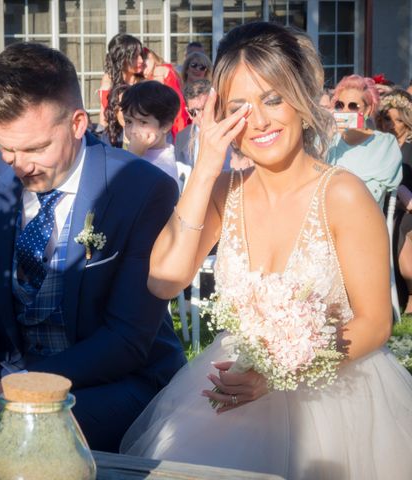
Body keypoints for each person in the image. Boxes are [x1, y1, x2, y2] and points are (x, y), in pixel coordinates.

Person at [121, 22, 412, 479]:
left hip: (335, 401)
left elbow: (374, 323)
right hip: (225, 396)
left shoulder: (344, 195)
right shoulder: (222, 192)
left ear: (300, 97)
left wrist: (276, 373)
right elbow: (163, 280)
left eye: (272, 99)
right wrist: (203, 169)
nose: (257, 121)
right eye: (238, 107)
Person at [0, 42, 186, 453]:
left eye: (35, 148)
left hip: (114, 382)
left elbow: (126, 340)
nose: (19, 165)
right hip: (5, 373)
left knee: (26, 437)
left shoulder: (141, 189)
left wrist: (15, 393)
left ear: (76, 123)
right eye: (6, 148)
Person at [327, 74, 402, 208]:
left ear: (368, 110)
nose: (345, 111)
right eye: (340, 105)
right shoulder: (329, 140)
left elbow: (375, 193)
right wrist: (327, 136)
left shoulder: (385, 144)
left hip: (364, 215)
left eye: (353, 106)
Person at [376, 89, 412, 312]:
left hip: (406, 211)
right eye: (387, 119)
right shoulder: (379, 148)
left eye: (398, 120)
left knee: (400, 229)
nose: (392, 125)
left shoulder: (410, 148)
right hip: (382, 206)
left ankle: (407, 294)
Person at [121, 81, 179, 185]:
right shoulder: (143, 153)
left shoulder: (163, 168)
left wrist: (133, 155)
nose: (134, 130)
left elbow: (121, 187)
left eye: (143, 122)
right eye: (128, 121)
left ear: (165, 126)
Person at [97, 34, 145, 129]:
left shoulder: (146, 79)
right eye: (134, 56)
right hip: (117, 136)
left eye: (141, 55)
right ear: (121, 59)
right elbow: (104, 118)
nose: (141, 60)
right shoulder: (108, 82)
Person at [142, 47, 189, 139]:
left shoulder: (158, 70)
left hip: (174, 117)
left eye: (145, 64)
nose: (144, 70)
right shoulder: (167, 68)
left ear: (151, 56)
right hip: (178, 113)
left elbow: (156, 96)